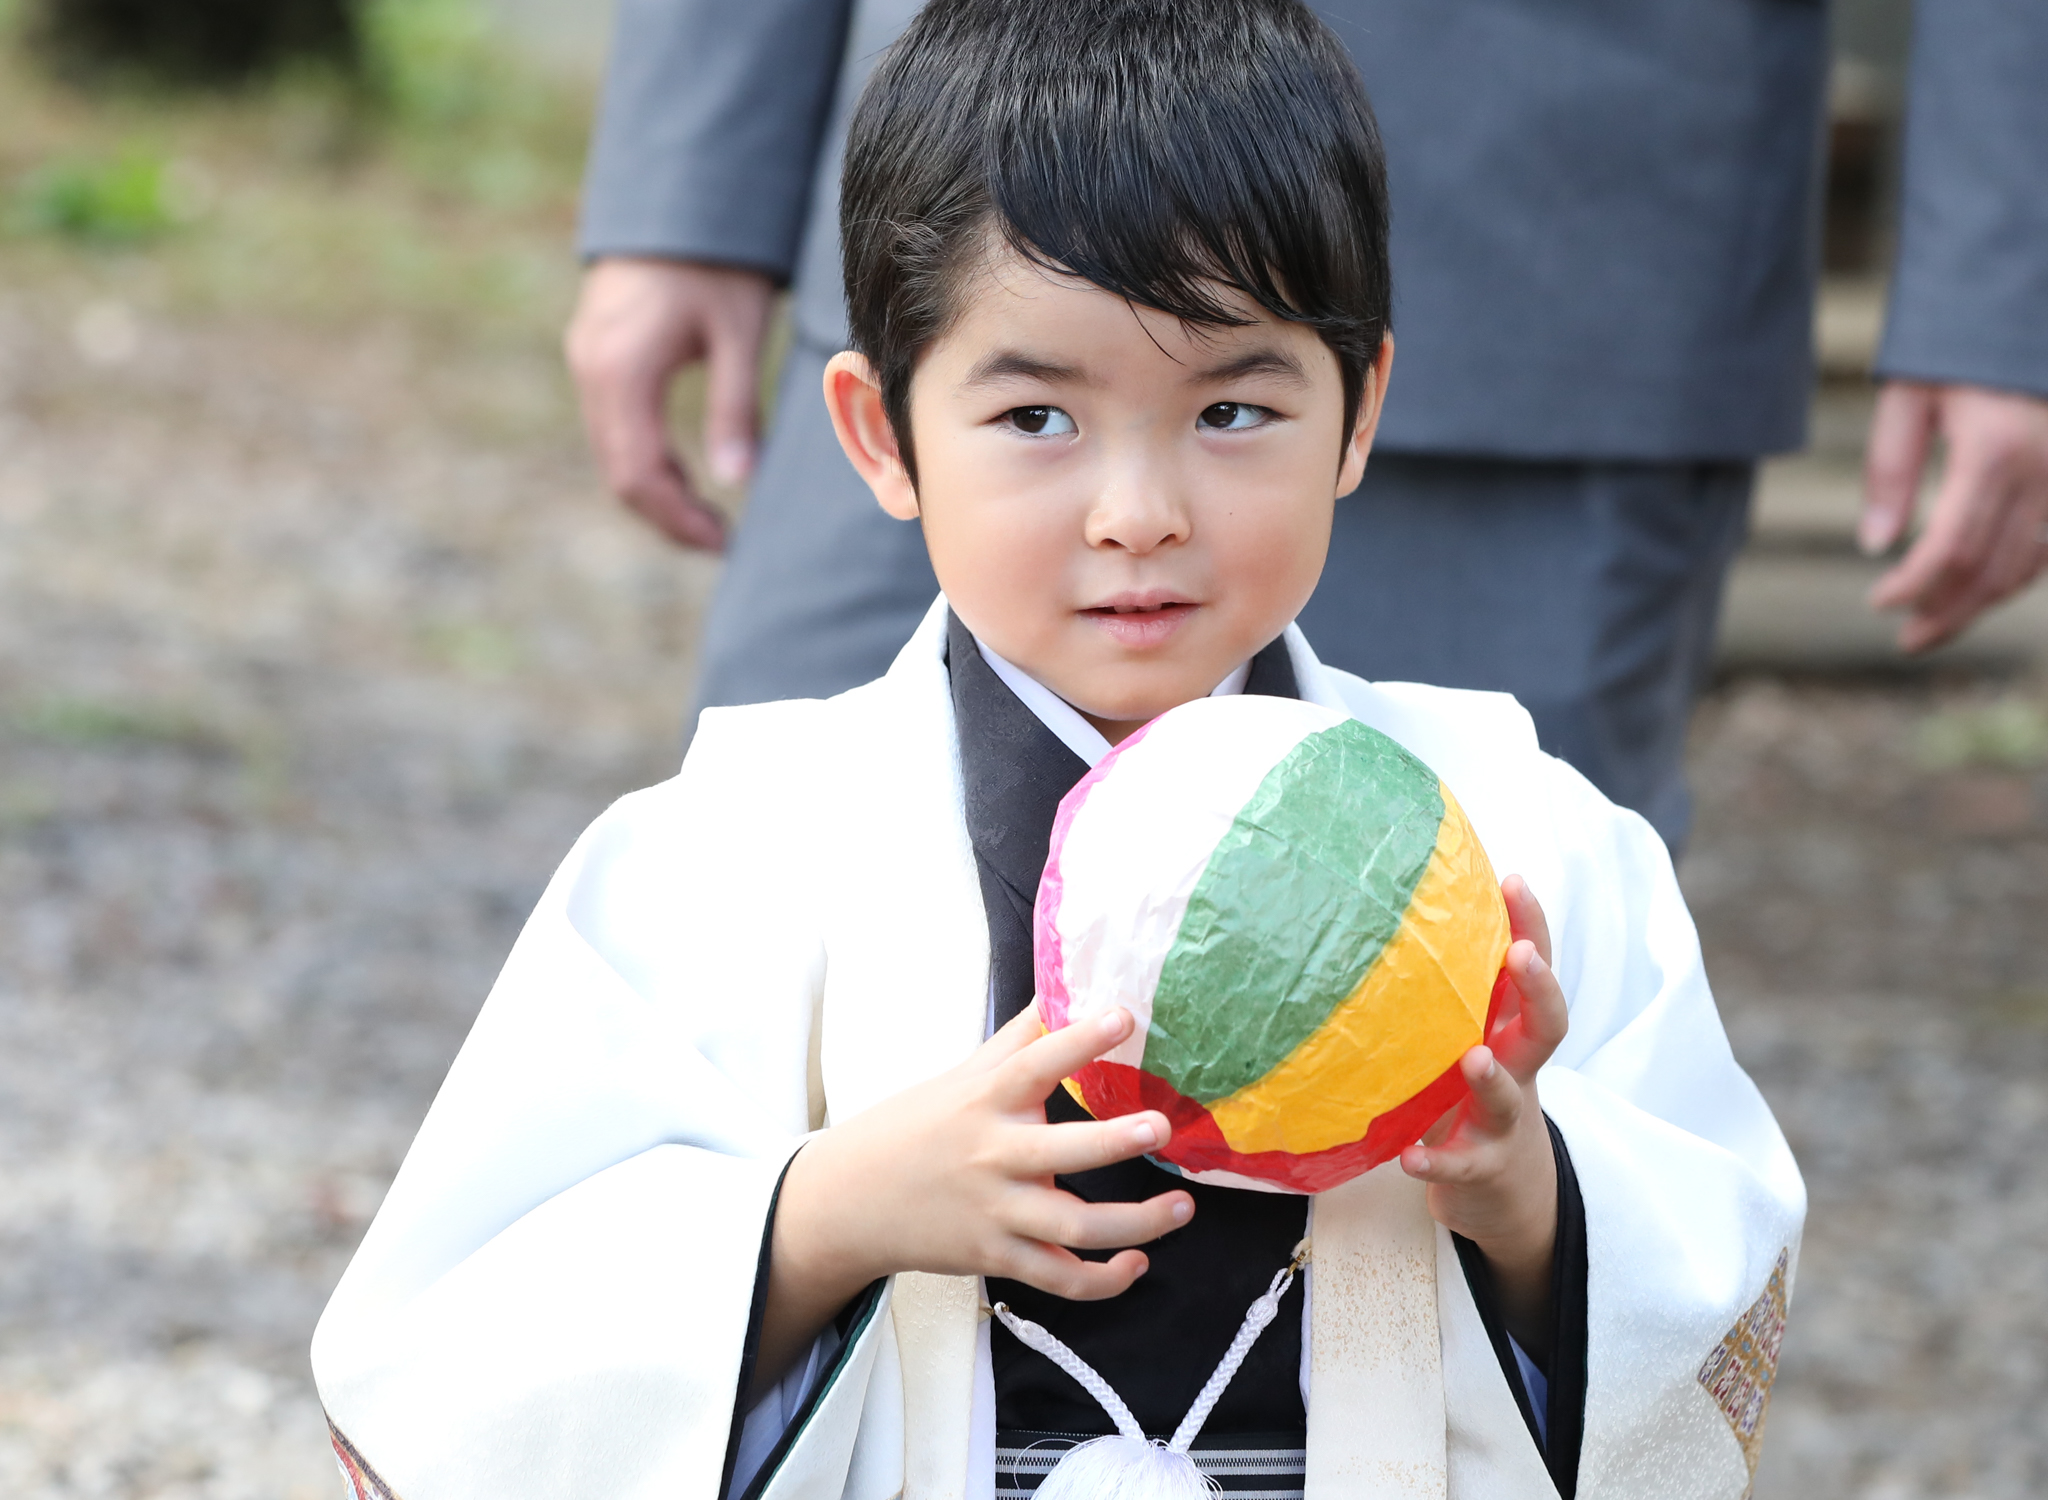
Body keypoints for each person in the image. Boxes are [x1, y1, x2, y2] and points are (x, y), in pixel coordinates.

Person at [315, 4, 1804, 1496]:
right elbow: (462, 1338)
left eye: (1234, 409)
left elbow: (1706, 1283)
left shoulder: (1518, 839)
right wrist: (825, 1214)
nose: (1137, 513)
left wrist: (1530, 1194)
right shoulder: (740, 850)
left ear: (1360, 413)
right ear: (880, 434)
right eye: (1037, 416)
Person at [567, 0, 2048, 851]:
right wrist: (690, 172)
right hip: (963, 198)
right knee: (777, 978)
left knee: (1466, 1054)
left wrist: (2020, 270)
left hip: (1541, 230)